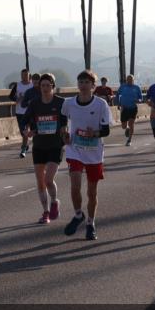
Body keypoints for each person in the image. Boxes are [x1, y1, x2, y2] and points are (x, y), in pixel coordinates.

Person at [61, 69, 113, 241]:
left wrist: (95, 134)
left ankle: (91, 223)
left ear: (93, 86)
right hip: (75, 149)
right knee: (75, 186)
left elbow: (106, 131)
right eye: (80, 82)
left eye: (86, 82)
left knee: (92, 192)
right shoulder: (69, 103)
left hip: (94, 151)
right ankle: (78, 215)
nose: (83, 85)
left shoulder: (100, 105)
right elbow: (62, 121)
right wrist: (64, 134)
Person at [23, 73, 66, 223]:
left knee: (48, 179)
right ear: (39, 87)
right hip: (39, 145)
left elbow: (67, 119)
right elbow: (26, 120)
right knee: (40, 181)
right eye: (43, 85)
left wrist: (65, 130)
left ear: (53, 86)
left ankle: (54, 201)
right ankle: (45, 212)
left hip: (55, 145)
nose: (45, 88)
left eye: (48, 85)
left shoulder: (61, 102)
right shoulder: (34, 103)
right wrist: (26, 131)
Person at [11, 68, 35, 158]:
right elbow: (10, 96)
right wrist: (17, 99)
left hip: (29, 112)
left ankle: (23, 148)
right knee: (22, 132)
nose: (24, 77)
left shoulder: (33, 85)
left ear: (29, 76)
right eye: (22, 75)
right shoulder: (18, 85)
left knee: (26, 130)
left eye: (26, 75)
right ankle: (26, 144)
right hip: (19, 112)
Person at [116, 75, 143, 146]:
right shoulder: (123, 87)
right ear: (126, 80)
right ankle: (127, 128)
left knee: (131, 123)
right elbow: (118, 94)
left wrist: (138, 100)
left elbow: (141, 98)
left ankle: (129, 140)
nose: (129, 80)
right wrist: (118, 103)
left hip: (133, 108)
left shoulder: (136, 88)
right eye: (128, 79)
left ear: (133, 80)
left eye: (131, 79)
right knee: (123, 126)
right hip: (124, 108)